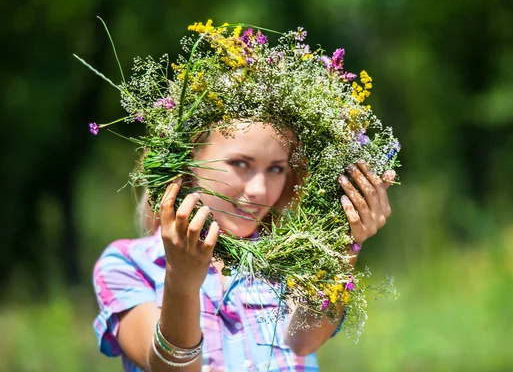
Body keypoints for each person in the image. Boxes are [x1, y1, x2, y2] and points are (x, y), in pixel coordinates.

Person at [92, 118, 395, 371]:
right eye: (240, 163)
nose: (259, 190)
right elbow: (168, 368)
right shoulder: (129, 263)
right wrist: (181, 285)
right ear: (189, 160)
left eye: (276, 168)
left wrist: (344, 245)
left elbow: (304, 341)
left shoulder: (292, 257)